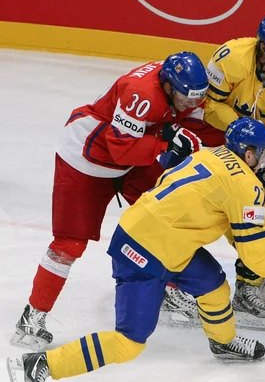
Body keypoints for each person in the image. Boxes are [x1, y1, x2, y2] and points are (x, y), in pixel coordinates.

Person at [6, 117, 265, 382]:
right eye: (263, 154)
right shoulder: (248, 187)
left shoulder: (210, 156)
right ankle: (40, 366)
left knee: (214, 285)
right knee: (129, 343)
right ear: (248, 153)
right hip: (145, 252)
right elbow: (255, 256)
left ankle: (224, 343)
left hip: (156, 235)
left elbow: (225, 222)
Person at [10, 51, 209, 352]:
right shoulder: (141, 94)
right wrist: (167, 142)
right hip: (85, 159)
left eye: (197, 98)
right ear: (168, 86)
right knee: (69, 244)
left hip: (130, 156)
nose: (191, 104)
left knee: (168, 218)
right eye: (186, 98)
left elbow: (192, 120)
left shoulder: (182, 85)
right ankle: (32, 317)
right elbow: (122, 151)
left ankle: (169, 287)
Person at [170, 13, 265, 331]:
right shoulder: (231, 57)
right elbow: (207, 107)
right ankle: (167, 280)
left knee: (263, 215)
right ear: (264, 49)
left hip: (253, 158)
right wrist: (242, 129)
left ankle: (247, 286)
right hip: (210, 145)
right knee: (191, 212)